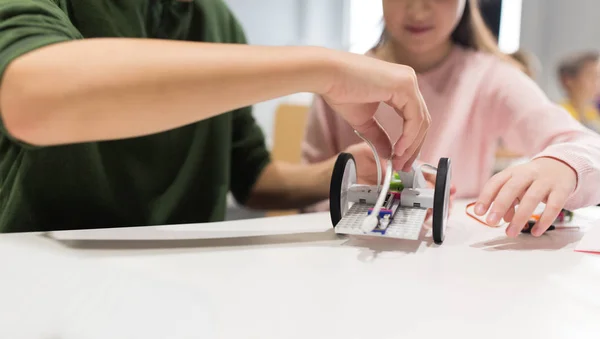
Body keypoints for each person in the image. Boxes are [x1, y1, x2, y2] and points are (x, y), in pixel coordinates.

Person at [0, 0, 431, 233]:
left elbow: (251, 177)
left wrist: (351, 170)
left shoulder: (218, 20)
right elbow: (30, 96)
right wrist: (324, 71)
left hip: (188, 286)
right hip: (47, 278)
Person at [302, 0, 600, 238]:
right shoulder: (339, 81)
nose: (418, 10)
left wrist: (564, 165)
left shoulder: (491, 77)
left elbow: (587, 145)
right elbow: (306, 197)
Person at [557, 50, 600, 132]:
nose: (596, 83)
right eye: (590, 75)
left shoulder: (593, 114)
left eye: (597, 76)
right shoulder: (560, 115)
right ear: (568, 80)